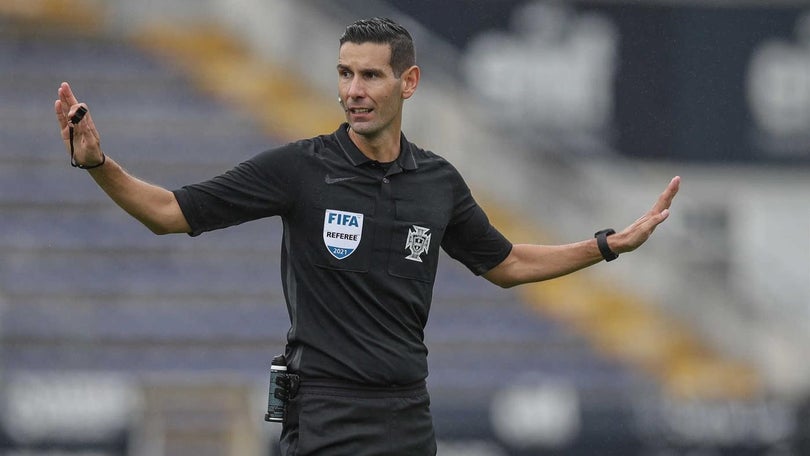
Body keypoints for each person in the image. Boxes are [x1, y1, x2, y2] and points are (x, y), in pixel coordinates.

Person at [55, 17, 679, 456]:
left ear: (407, 83)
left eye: (371, 77)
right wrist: (98, 164)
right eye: (345, 75)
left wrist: (604, 246)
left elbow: (507, 262)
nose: (354, 91)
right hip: (325, 412)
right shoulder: (299, 168)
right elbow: (168, 212)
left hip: (408, 414)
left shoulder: (437, 181)